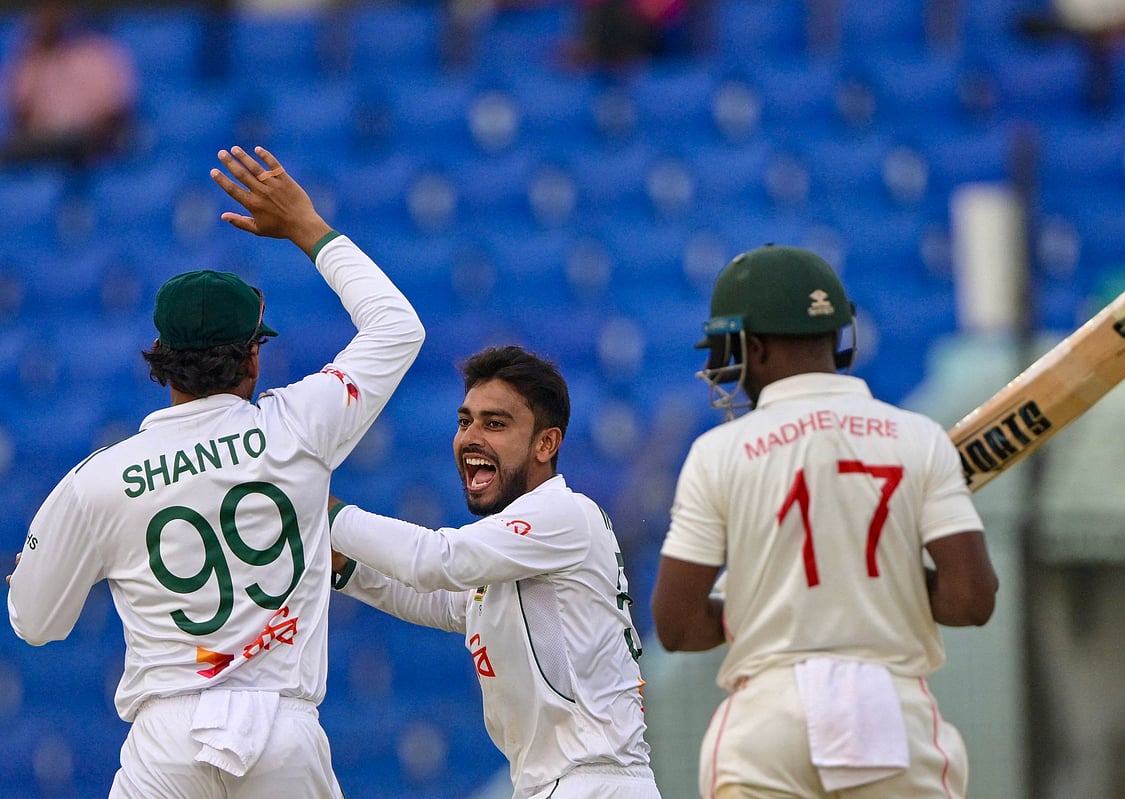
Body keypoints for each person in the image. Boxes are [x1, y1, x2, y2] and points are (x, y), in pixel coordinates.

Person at [6, 145, 425, 798]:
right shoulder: (300, 425)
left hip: (165, 746)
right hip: (284, 731)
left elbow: (36, 624)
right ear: (253, 358)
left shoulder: (97, 480)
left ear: (161, 360)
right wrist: (307, 227)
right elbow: (397, 328)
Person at [649, 244, 999, 799]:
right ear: (839, 335)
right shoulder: (919, 438)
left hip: (768, 721)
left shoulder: (719, 453)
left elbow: (677, 625)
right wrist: (886, 583)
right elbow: (971, 599)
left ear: (753, 347)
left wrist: (761, 597)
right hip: (895, 717)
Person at [327, 345, 661, 799]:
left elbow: (436, 561)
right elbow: (447, 603)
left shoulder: (562, 512)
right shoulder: (520, 549)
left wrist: (327, 512)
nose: (470, 437)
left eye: (495, 424)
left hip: (590, 783)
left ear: (546, 444)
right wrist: (348, 570)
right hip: (571, 782)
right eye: (465, 421)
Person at [0, 2, 138, 167]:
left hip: (91, 144)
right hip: (43, 147)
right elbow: (20, 115)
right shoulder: (27, 59)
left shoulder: (97, 53)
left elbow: (116, 112)